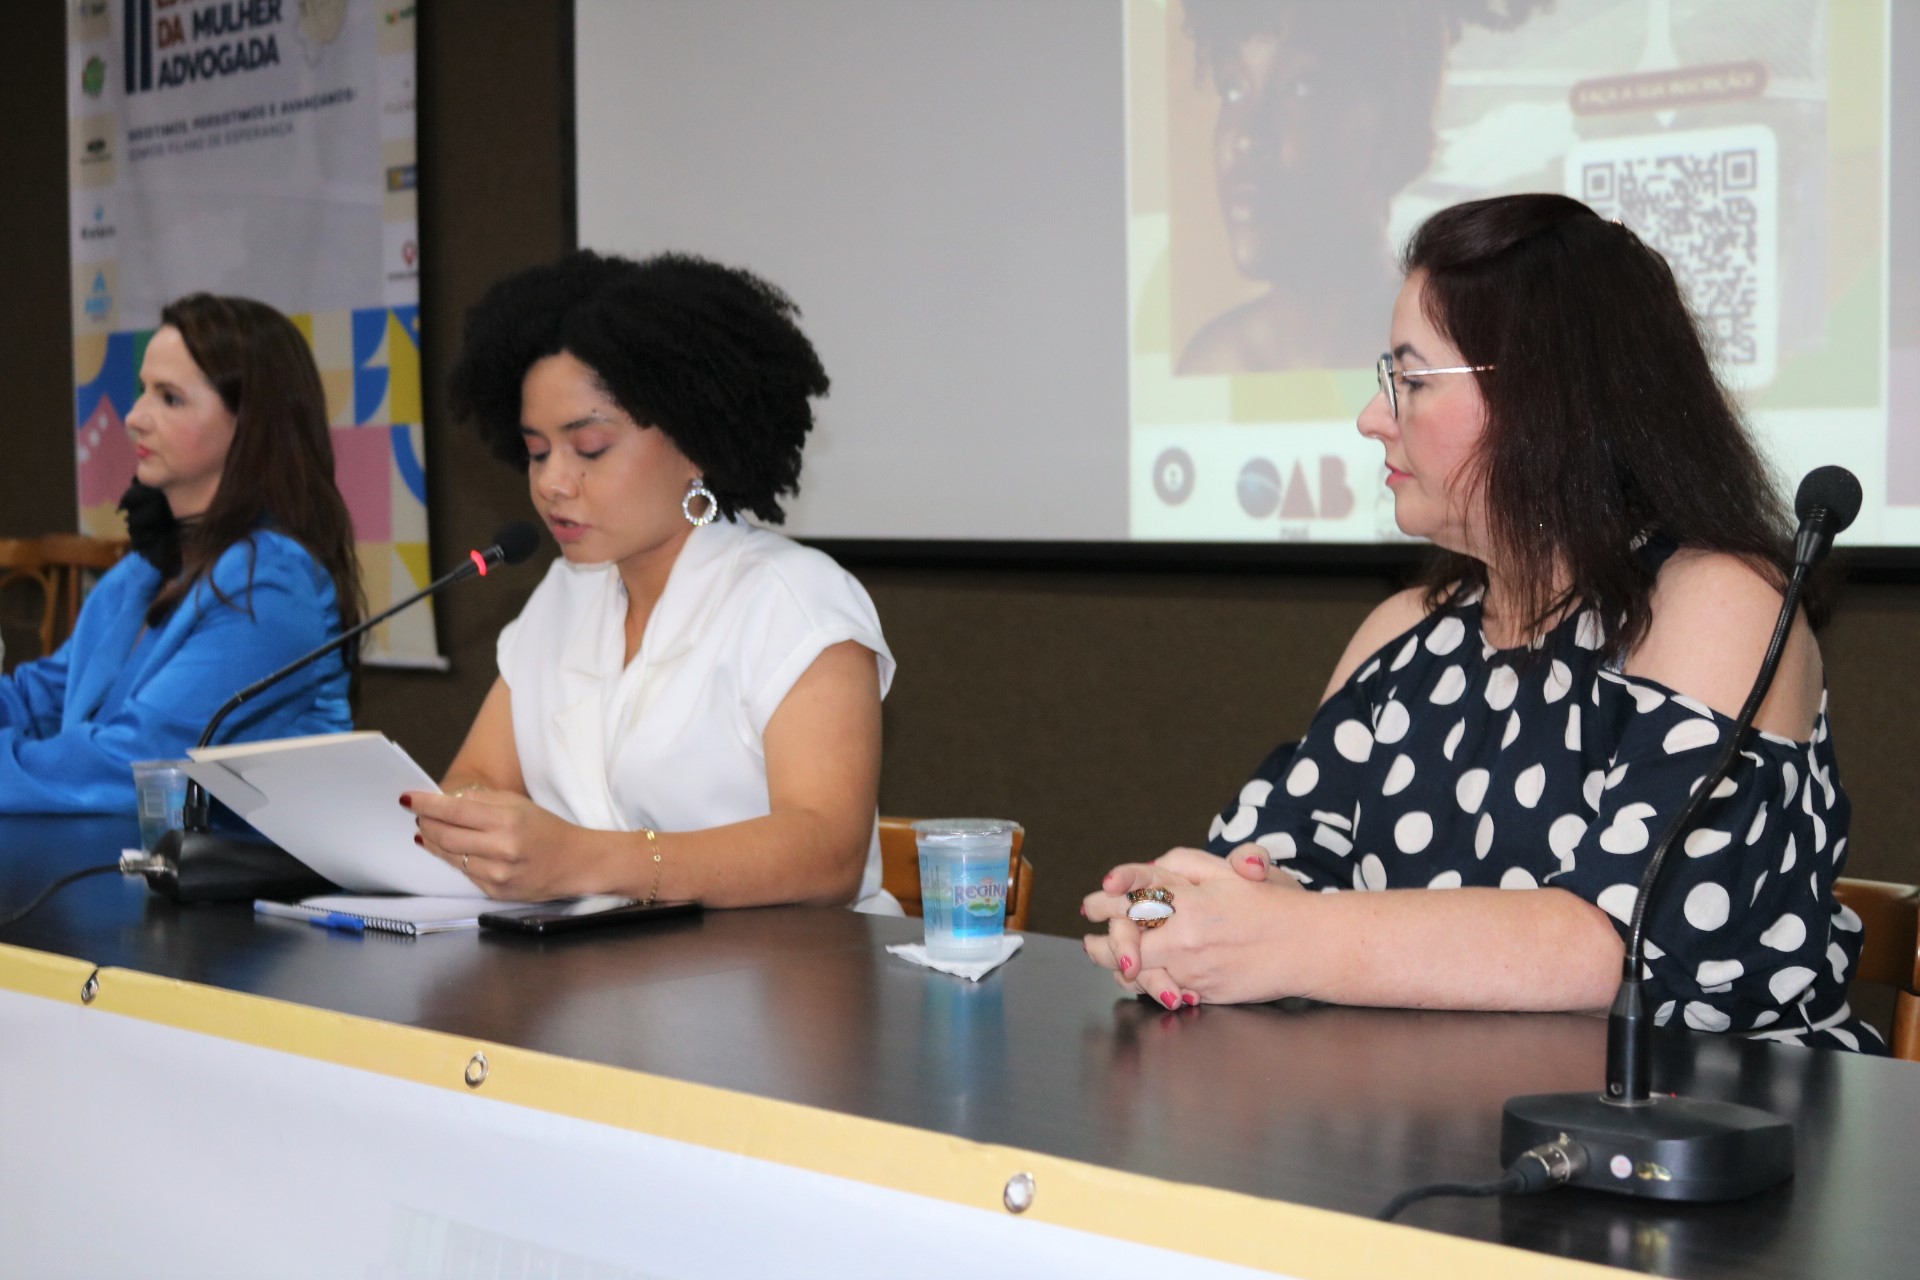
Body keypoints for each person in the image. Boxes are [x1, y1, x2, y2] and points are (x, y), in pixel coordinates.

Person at [1087, 193, 1883, 1053]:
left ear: (1546, 400)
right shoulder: (1403, 633)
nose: (1372, 418)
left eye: (1412, 382)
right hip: (1430, 1113)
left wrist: (1283, 939)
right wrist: (1155, 912)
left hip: (1704, 1119)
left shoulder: (1719, 602)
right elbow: (1255, 875)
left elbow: (1618, 943)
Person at [406, 250, 895, 911]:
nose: (552, 483)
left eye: (590, 448)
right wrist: (478, 824)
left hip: (783, 967)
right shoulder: (563, 596)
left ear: (694, 444)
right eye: (537, 452)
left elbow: (826, 851)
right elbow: (476, 774)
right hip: (592, 965)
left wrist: (585, 861)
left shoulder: (794, 599)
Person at [0, 294, 361, 813]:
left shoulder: (272, 586)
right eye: (143, 391)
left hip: (236, 867)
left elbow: (137, 764)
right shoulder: (144, 570)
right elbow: (40, 700)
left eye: (170, 399)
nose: (134, 418)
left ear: (250, 423)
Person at [1175, 0, 1549, 375]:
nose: (1246, 137)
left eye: (1301, 87)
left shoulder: (1459, 357)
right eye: (1232, 89)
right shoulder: (1208, 365)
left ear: (1392, 130)